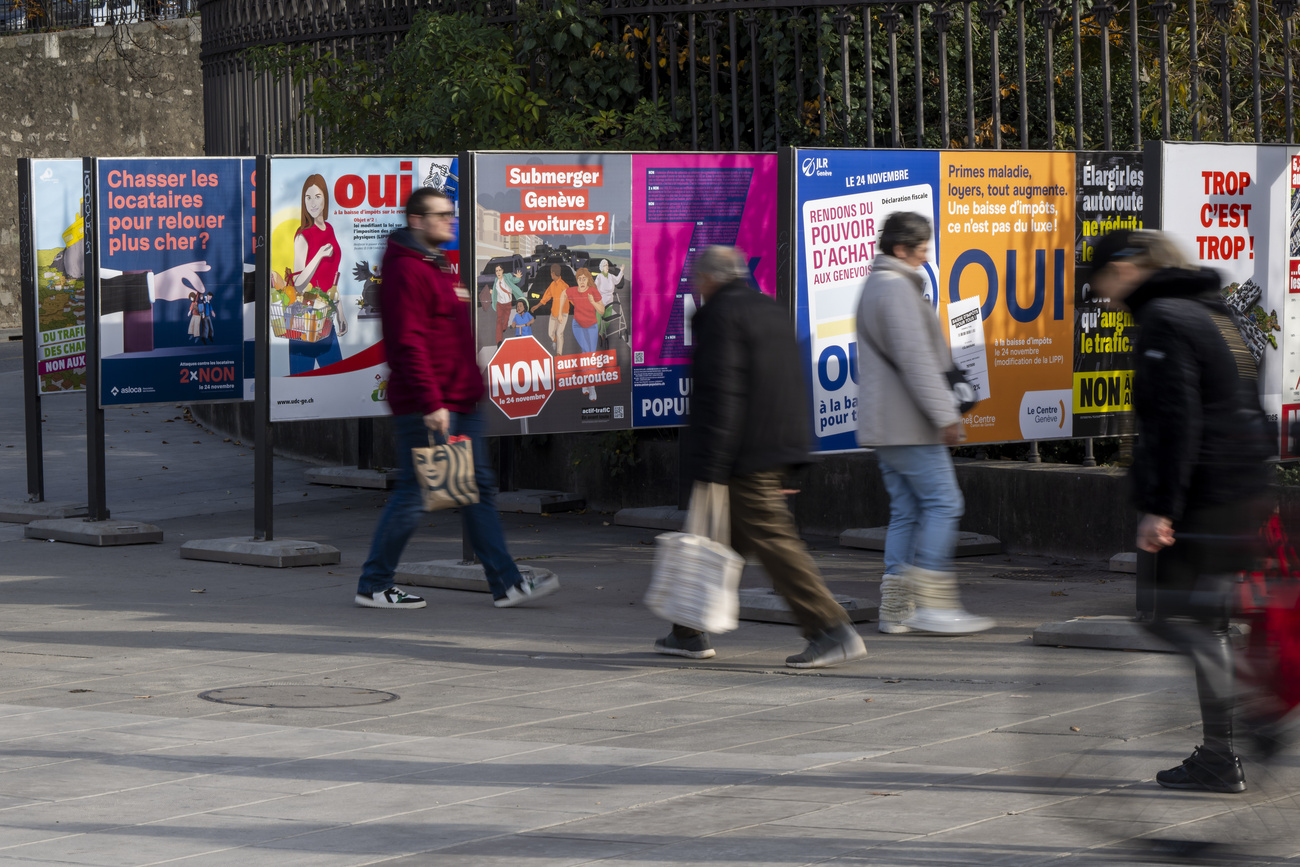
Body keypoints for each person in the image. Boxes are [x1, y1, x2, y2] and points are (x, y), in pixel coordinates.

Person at [1089, 228, 1272, 793]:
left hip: (1204, 494)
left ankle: (1252, 714)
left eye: (1099, 276)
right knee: (1209, 618)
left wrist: (1159, 508)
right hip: (1242, 486)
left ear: (1127, 267)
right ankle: (1223, 751)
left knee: (1173, 617)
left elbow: (1175, 422)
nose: (1099, 290)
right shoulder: (1212, 312)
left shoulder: (1164, 319)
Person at [654, 246, 867, 669]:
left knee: (773, 542)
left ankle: (830, 629)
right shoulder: (770, 310)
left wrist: (711, 466)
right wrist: (792, 457)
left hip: (741, 457)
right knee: (717, 542)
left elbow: (721, 395)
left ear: (708, 280)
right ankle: (687, 631)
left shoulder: (717, 316)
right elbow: (790, 385)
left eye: (700, 282)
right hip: (771, 449)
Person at [355, 188, 560, 610]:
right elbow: (409, 343)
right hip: (430, 404)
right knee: (416, 493)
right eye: (440, 215)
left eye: (451, 213)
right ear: (416, 220)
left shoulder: (433, 263)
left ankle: (506, 583)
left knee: (476, 491)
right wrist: (432, 404)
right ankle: (374, 584)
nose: (449, 220)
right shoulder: (407, 270)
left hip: (459, 398)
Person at [856, 211, 994, 635]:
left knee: (907, 511)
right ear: (900, 249)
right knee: (944, 503)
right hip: (909, 424)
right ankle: (933, 606)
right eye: (920, 250)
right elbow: (917, 363)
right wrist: (946, 416)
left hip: (887, 427)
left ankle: (896, 610)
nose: (924, 257)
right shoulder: (896, 290)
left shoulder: (876, 286)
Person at [288, 174, 347, 373]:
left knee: (336, 383)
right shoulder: (303, 235)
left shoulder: (329, 228)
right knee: (300, 389)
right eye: (308, 197)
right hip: (303, 321)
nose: (312, 203)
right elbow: (297, 283)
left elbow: (331, 278)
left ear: (325, 199)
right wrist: (319, 255)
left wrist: (340, 313)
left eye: (317, 196)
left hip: (326, 320)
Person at [567, 267, 606, 400]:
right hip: (578, 325)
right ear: (576, 280)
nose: (582, 281)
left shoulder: (593, 291)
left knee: (589, 355)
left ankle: (587, 383)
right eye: (579, 279)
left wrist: (593, 302)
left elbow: (601, 311)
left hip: (592, 327)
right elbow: (563, 295)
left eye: (584, 278)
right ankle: (591, 387)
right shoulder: (574, 290)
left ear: (588, 279)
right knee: (587, 353)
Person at [532, 264, 570, 354]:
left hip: (563, 314)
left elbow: (572, 299)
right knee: (550, 334)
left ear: (553, 273)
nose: (550, 275)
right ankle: (554, 340)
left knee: (559, 333)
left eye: (551, 273)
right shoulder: (552, 285)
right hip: (553, 313)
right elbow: (546, 297)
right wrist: (537, 306)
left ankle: (559, 354)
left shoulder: (564, 286)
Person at [490, 264, 525, 345]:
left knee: (505, 320)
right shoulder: (496, 281)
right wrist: (492, 293)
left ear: (502, 271)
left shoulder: (508, 277)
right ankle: (499, 341)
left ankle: (504, 327)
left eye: (499, 270)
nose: (498, 272)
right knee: (499, 321)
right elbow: (495, 293)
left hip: (508, 304)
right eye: (496, 271)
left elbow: (515, 280)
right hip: (499, 304)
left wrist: (518, 277)